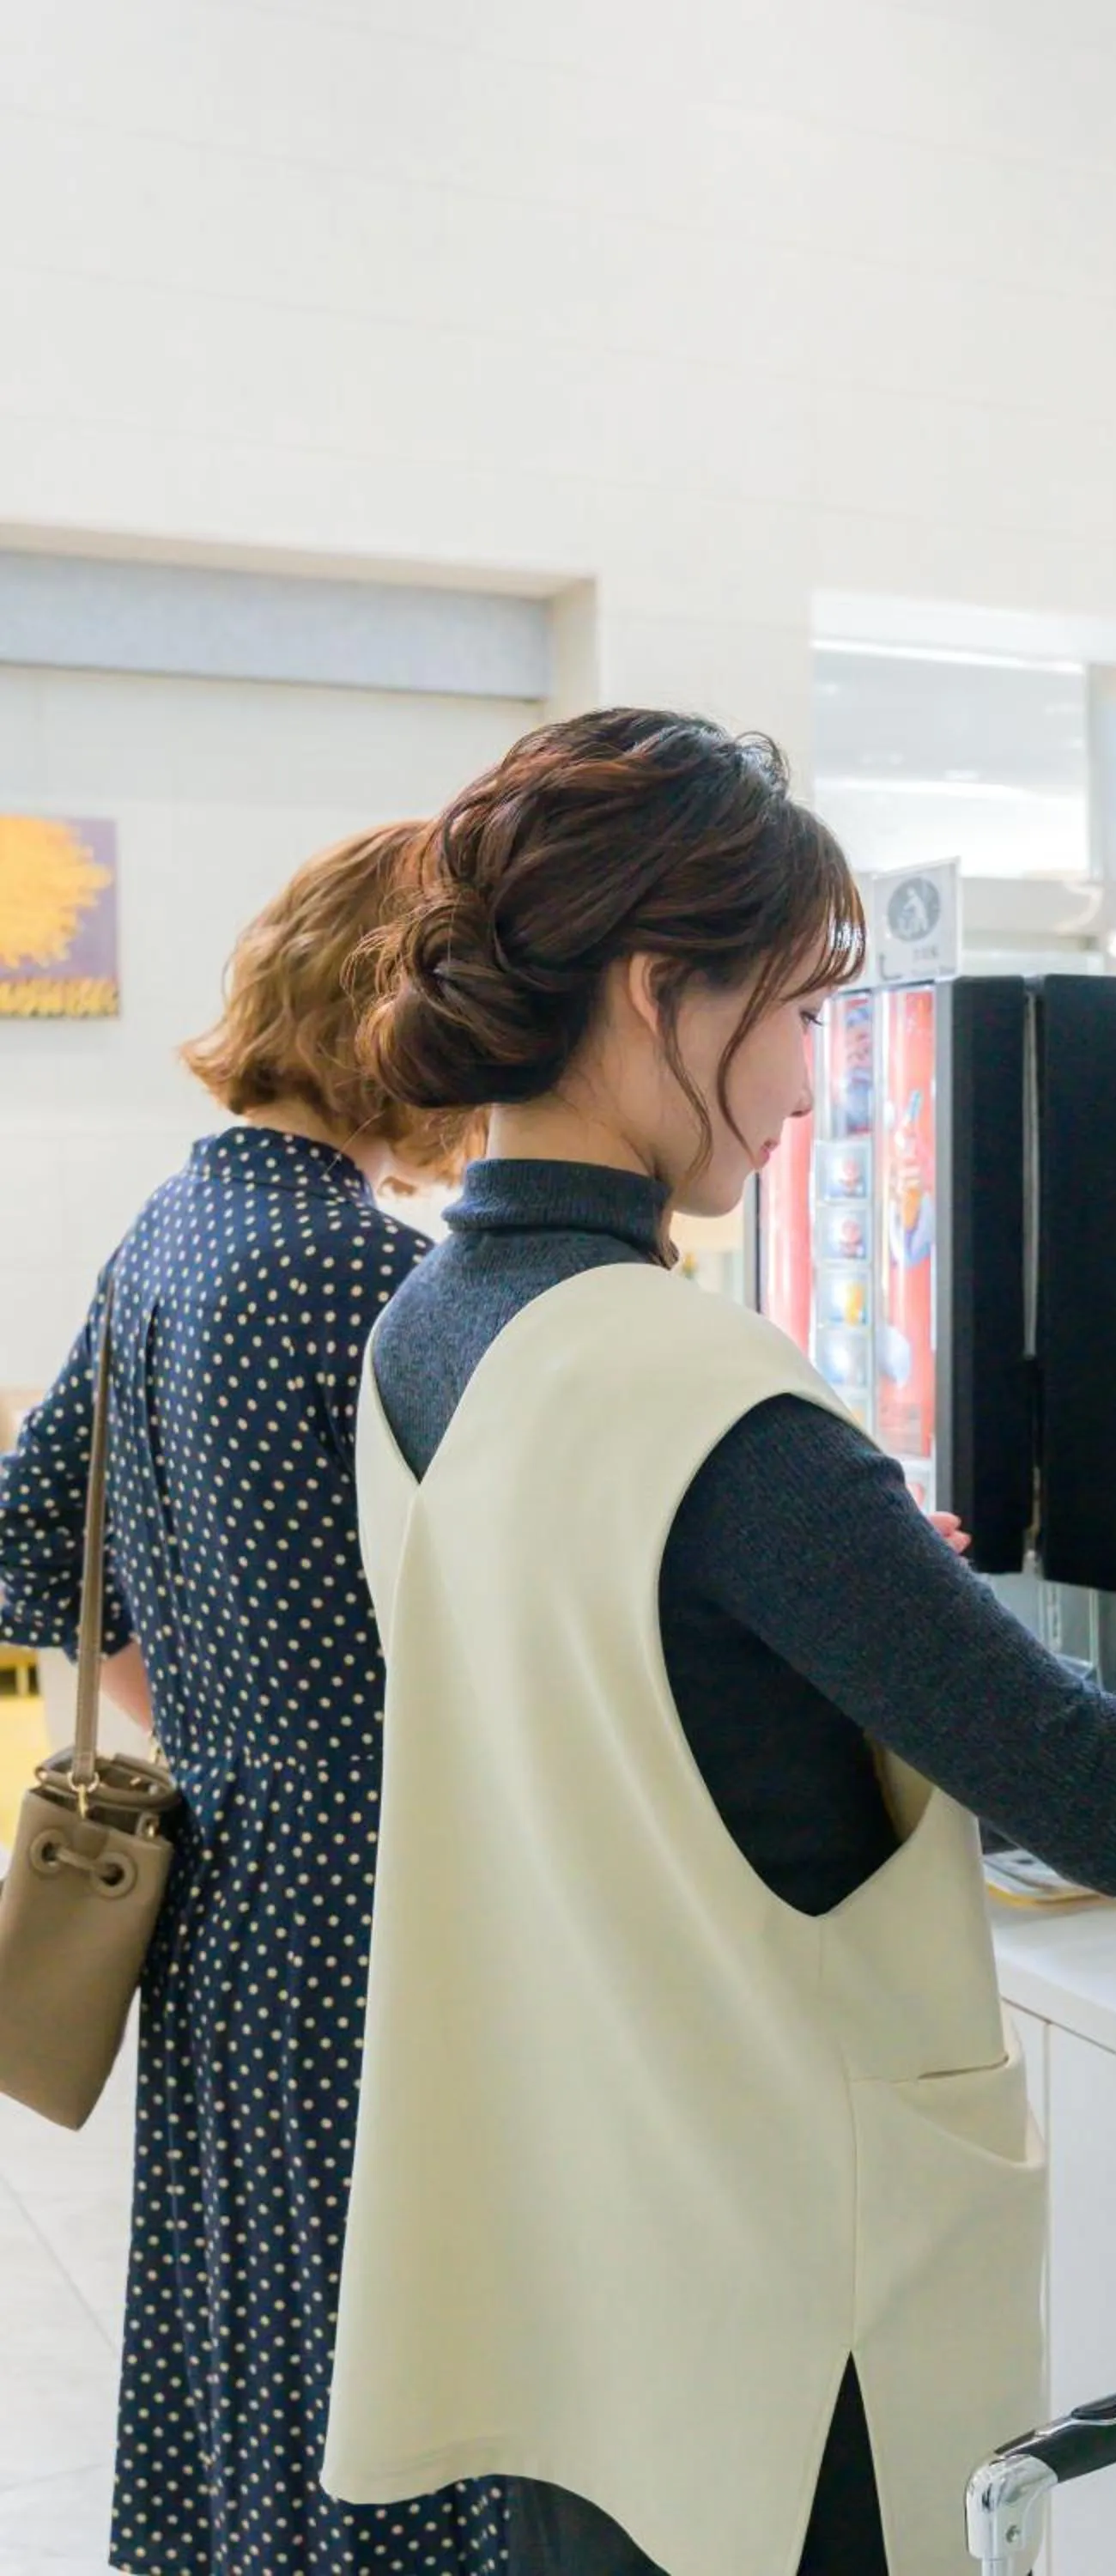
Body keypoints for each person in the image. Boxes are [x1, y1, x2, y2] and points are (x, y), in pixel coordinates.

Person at [320, 712, 1116, 2576]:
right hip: (777, 2309)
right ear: (661, 995)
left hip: (574, 2262)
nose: (810, 1087)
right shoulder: (707, 1392)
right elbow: (1106, 1792)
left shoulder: (427, 1339)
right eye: (798, 1012)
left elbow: (621, 1719)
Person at [0, 826, 506, 2576]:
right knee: (394, 2367)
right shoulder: (373, 1279)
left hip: (219, 1884)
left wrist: (211, 1706)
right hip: (379, 1902)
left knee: (248, 2329)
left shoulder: (180, 1223)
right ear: (401, 1015)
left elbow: (24, 1531)